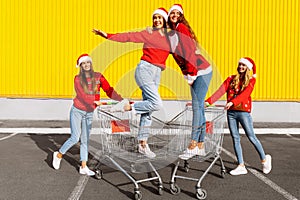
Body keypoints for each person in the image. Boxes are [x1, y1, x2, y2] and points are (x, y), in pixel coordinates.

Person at [92, 8, 170, 158]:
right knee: (157, 103)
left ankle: (143, 144)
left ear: (165, 20)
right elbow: (128, 36)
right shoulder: (148, 33)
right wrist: (108, 35)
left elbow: (181, 54)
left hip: (157, 73)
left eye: (160, 18)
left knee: (148, 110)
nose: (157, 20)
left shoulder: (170, 38)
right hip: (145, 69)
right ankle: (128, 106)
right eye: (155, 18)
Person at [52, 54, 123, 176]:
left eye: (88, 63)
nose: (86, 65)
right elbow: (83, 96)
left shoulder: (98, 77)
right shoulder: (77, 79)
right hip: (77, 110)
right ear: (80, 66)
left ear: (91, 64)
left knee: (85, 140)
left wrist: (121, 100)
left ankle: (83, 166)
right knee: (75, 137)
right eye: (83, 63)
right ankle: (58, 155)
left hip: (89, 112)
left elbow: (109, 90)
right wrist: (96, 102)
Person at [205, 57, 272, 175]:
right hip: (231, 113)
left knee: (251, 136)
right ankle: (241, 165)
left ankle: (264, 160)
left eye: (243, 65)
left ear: (247, 68)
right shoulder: (231, 79)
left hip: (243, 112)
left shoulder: (251, 81)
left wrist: (233, 102)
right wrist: (209, 101)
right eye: (240, 64)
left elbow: (246, 94)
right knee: (235, 138)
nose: (241, 67)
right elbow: (220, 91)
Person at [166, 4, 213, 159]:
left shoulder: (181, 28)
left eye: (176, 13)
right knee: (199, 108)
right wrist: (186, 74)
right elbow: (180, 59)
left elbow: (189, 53)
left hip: (200, 71)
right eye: (171, 12)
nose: (174, 15)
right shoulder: (172, 34)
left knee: (196, 107)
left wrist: (191, 74)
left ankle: (193, 144)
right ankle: (200, 145)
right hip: (198, 71)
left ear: (181, 16)